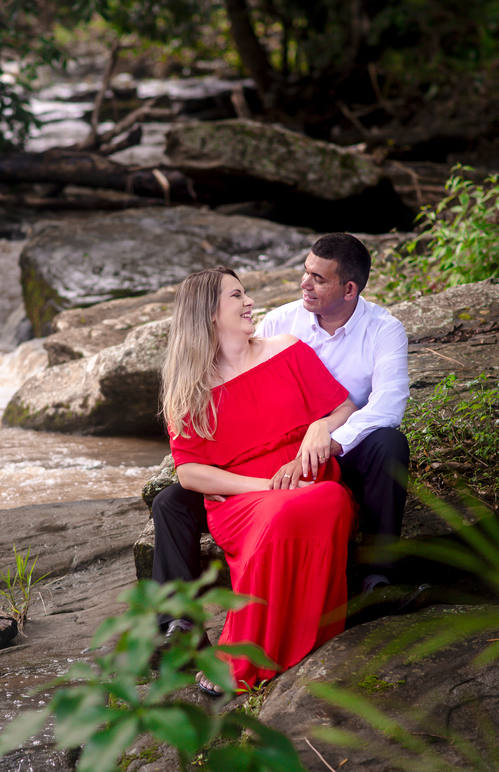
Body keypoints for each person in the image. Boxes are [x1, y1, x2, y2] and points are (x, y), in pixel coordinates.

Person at [154, 233, 411, 643]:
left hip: (341, 449)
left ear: (349, 289)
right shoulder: (277, 323)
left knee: (388, 444)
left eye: (318, 278)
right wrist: (262, 484)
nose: (305, 284)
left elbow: (382, 407)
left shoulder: (383, 331)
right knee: (170, 503)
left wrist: (324, 432)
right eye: (305, 273)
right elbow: (192, 464)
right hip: (254, 476)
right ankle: (176, 622)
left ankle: (377, 580)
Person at [162, 266, 359, 693]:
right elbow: (190, 472)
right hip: (241, 500)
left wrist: (319, 427)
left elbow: (342, 406)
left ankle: (301, 641)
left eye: (245, 293)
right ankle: (240, 659)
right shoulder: (189, 389)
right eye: (236, 296)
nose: (249, 301)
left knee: (326, 502)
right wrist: (264, 487)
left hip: (311, 481)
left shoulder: (287, 350)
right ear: (208, 314)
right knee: (276, 514)